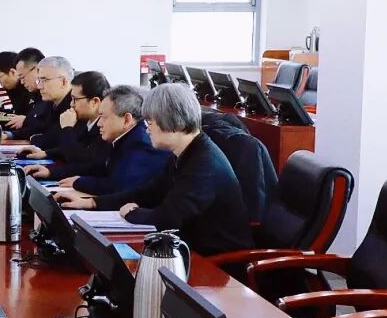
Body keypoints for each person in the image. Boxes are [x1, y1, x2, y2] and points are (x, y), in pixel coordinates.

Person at [56, 83, 254, 256]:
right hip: (185, 246)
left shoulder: (204, 164)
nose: (146, 128)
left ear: (173, 121)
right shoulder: (184, 152)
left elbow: (170, 218)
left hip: (214, 262)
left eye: (150, 122)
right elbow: (148, 192)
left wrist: (132, 213)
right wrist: (92, 203)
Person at [35, 84, 170, 195]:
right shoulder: (121, 137)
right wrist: (51, 172)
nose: (99, 123)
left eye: (104, 117)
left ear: (126, 119)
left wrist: (80, 183)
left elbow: (118, 185)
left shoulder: (141, 143)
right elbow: (97, 166)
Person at [19, 71, 112, 169]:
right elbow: (78, 149)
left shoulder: (105, 128)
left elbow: (77, 159)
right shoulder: (86, 121)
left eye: (75, 99)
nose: (71, 104)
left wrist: (67, 128)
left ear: (94, 102)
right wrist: (46, 153)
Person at [11, 55, 74, 145]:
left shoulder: (74, 106)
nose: (39, 86)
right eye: (39, 80)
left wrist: (35, 138)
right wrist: (10, 135)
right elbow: (39, 128)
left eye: (44, 80)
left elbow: (53, 141)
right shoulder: (50, 103)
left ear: (63, 82)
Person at [3, 47, 45, 134]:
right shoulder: (36, 92)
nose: (22, 82)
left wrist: (26, 121)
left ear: (37, 69)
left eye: (22, 77)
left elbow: (48, 127)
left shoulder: (50, 94)